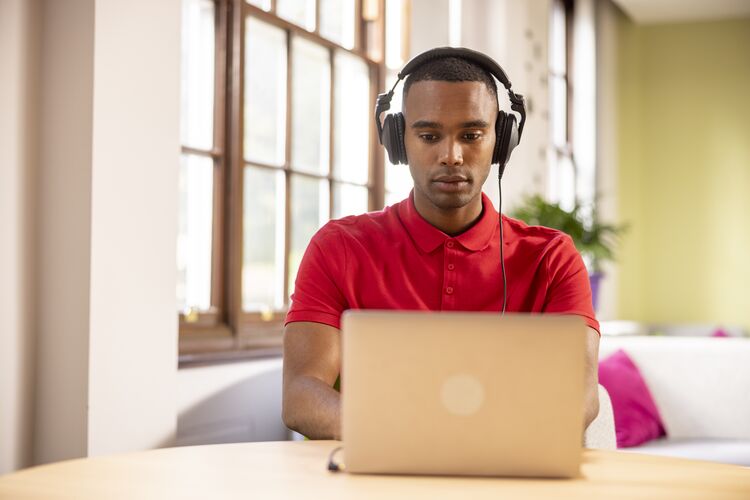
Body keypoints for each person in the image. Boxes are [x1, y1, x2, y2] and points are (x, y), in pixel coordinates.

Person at [282, 48, 600, 440]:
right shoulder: (338, 248)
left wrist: (473, 442)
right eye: (429, 135)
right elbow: (301, 395)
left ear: (501, 141)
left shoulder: (552, 258)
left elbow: (579, 396)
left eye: (471, 135)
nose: (451, 156)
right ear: (398, 141)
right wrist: (415, 438)